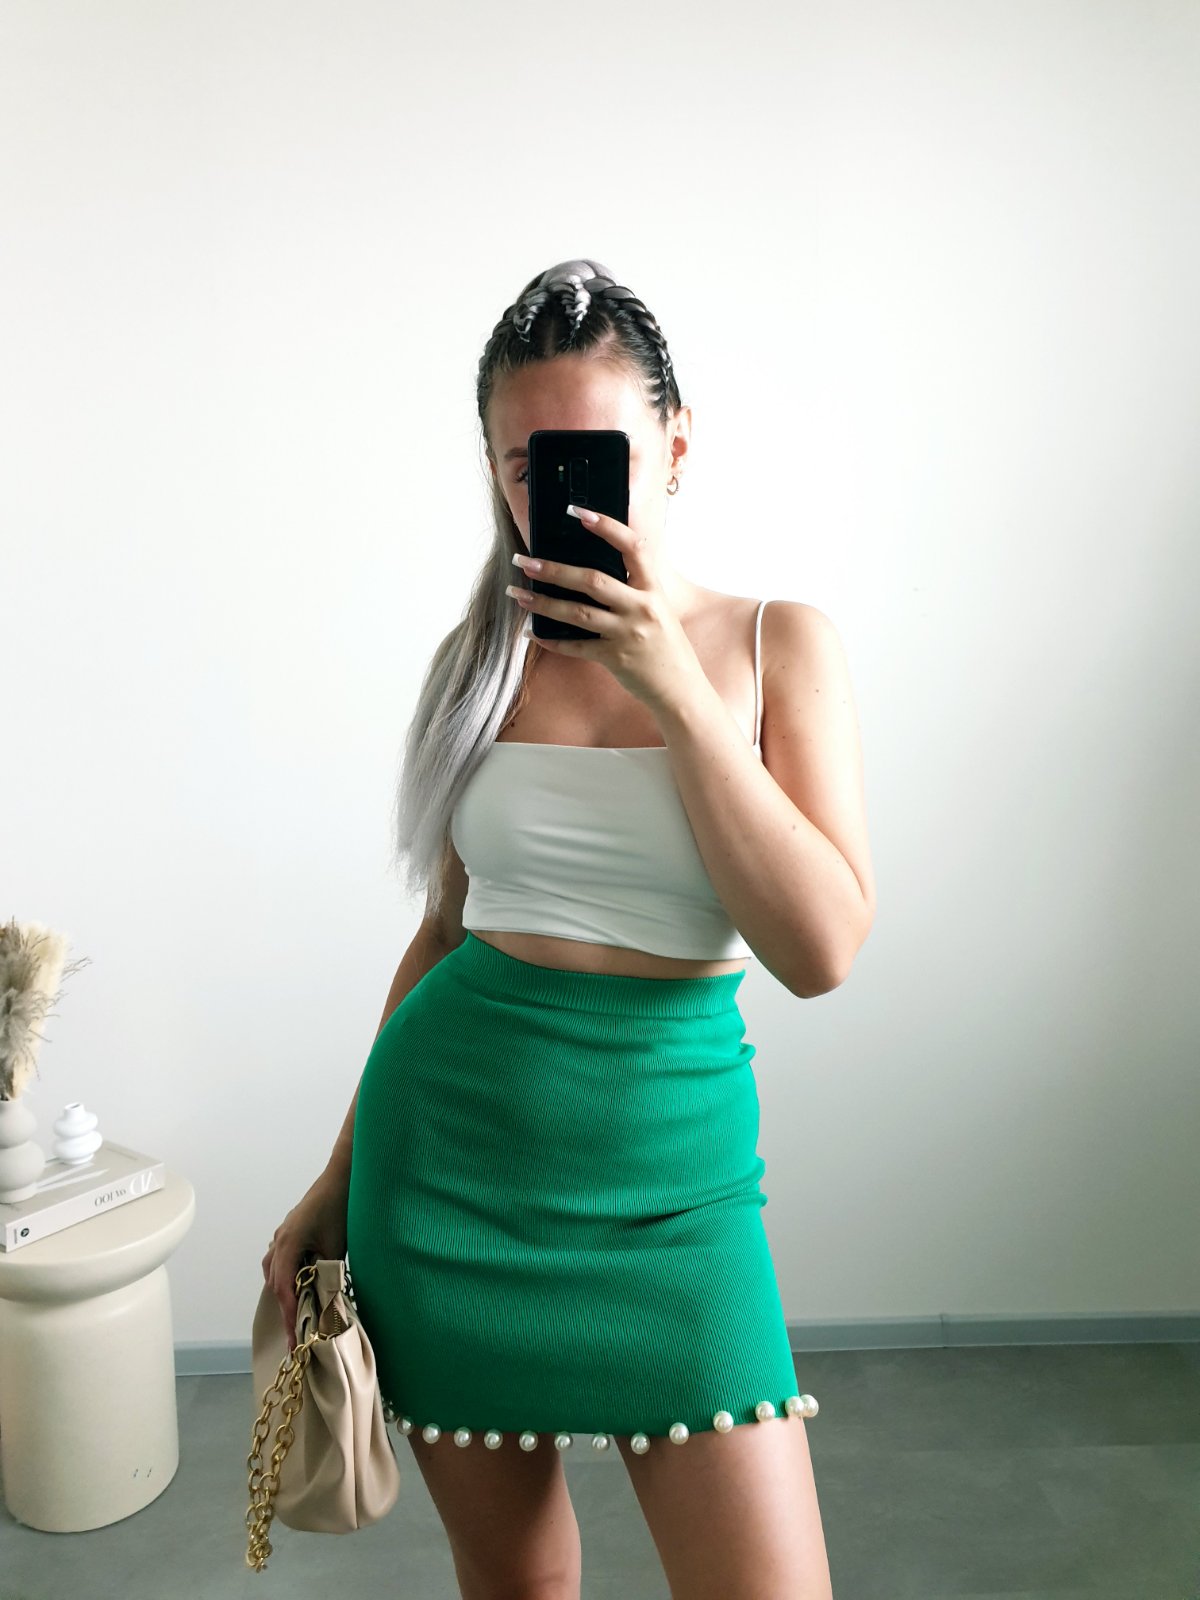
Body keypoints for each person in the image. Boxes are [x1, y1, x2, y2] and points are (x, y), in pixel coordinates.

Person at [263, 259, 875, 1600]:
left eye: (596, 456)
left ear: (676, 445)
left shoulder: (779, 645)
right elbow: (443, 937)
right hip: (445, 1183)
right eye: (524, 461)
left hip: (679, 1200)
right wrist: (333, 1179)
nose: (561, 489)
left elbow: (822, 950)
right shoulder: (475, 665)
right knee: (519, 1586)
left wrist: (673, 687)